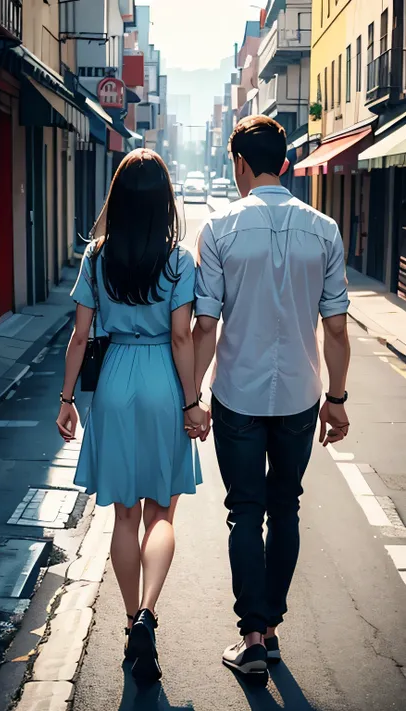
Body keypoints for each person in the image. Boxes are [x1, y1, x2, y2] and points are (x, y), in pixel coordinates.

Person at [193, 116, 351, 681]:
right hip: (301, 396)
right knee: (286, 507)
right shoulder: (325, 230)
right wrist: (336, 398)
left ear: (239, 163)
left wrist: (193, 397)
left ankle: (252, 637)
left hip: (237, 392)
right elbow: (335, 329)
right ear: (284, 164)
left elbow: (203, 326)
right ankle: (274, 629)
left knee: (244, 513)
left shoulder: (218, 230)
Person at [56, 148, 208, 683]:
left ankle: (128, 623)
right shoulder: (178, 260)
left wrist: (67, 398)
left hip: (116, 375)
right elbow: (183, 336)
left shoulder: (95, 258)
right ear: (165, 202)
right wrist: (192, 403)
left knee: (122, 514)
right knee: (160, 513)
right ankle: (148, 611)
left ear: (116, 199)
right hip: (163, 381)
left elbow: (79, 335)